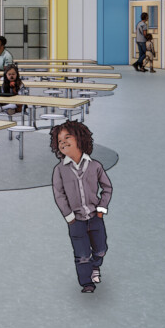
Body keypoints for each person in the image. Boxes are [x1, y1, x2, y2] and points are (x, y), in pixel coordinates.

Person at [49, 120, 112, 293]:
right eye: (60, 141)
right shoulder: (59, 170)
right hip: (75, 221)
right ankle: (87, 283)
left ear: (80, 139)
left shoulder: (95, 166)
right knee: (82, 255)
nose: (63, 143)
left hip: (95, 218)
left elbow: (107, 188)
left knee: (100, 249)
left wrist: (101, 209)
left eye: (67, 137)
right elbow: (59, 194)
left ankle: (95, 266)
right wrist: (69, 217)